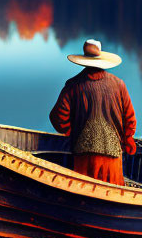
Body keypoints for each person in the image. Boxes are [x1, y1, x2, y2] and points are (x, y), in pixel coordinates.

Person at [50, 39, 137, 184]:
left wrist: (73, 132)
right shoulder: (119, 84)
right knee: (114, 193)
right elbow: (130, 119)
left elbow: (58, 117)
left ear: (84, 60)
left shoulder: (73, 85)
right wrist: (128, 138)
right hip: (113, 157)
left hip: (84, 157)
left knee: (82, 191)